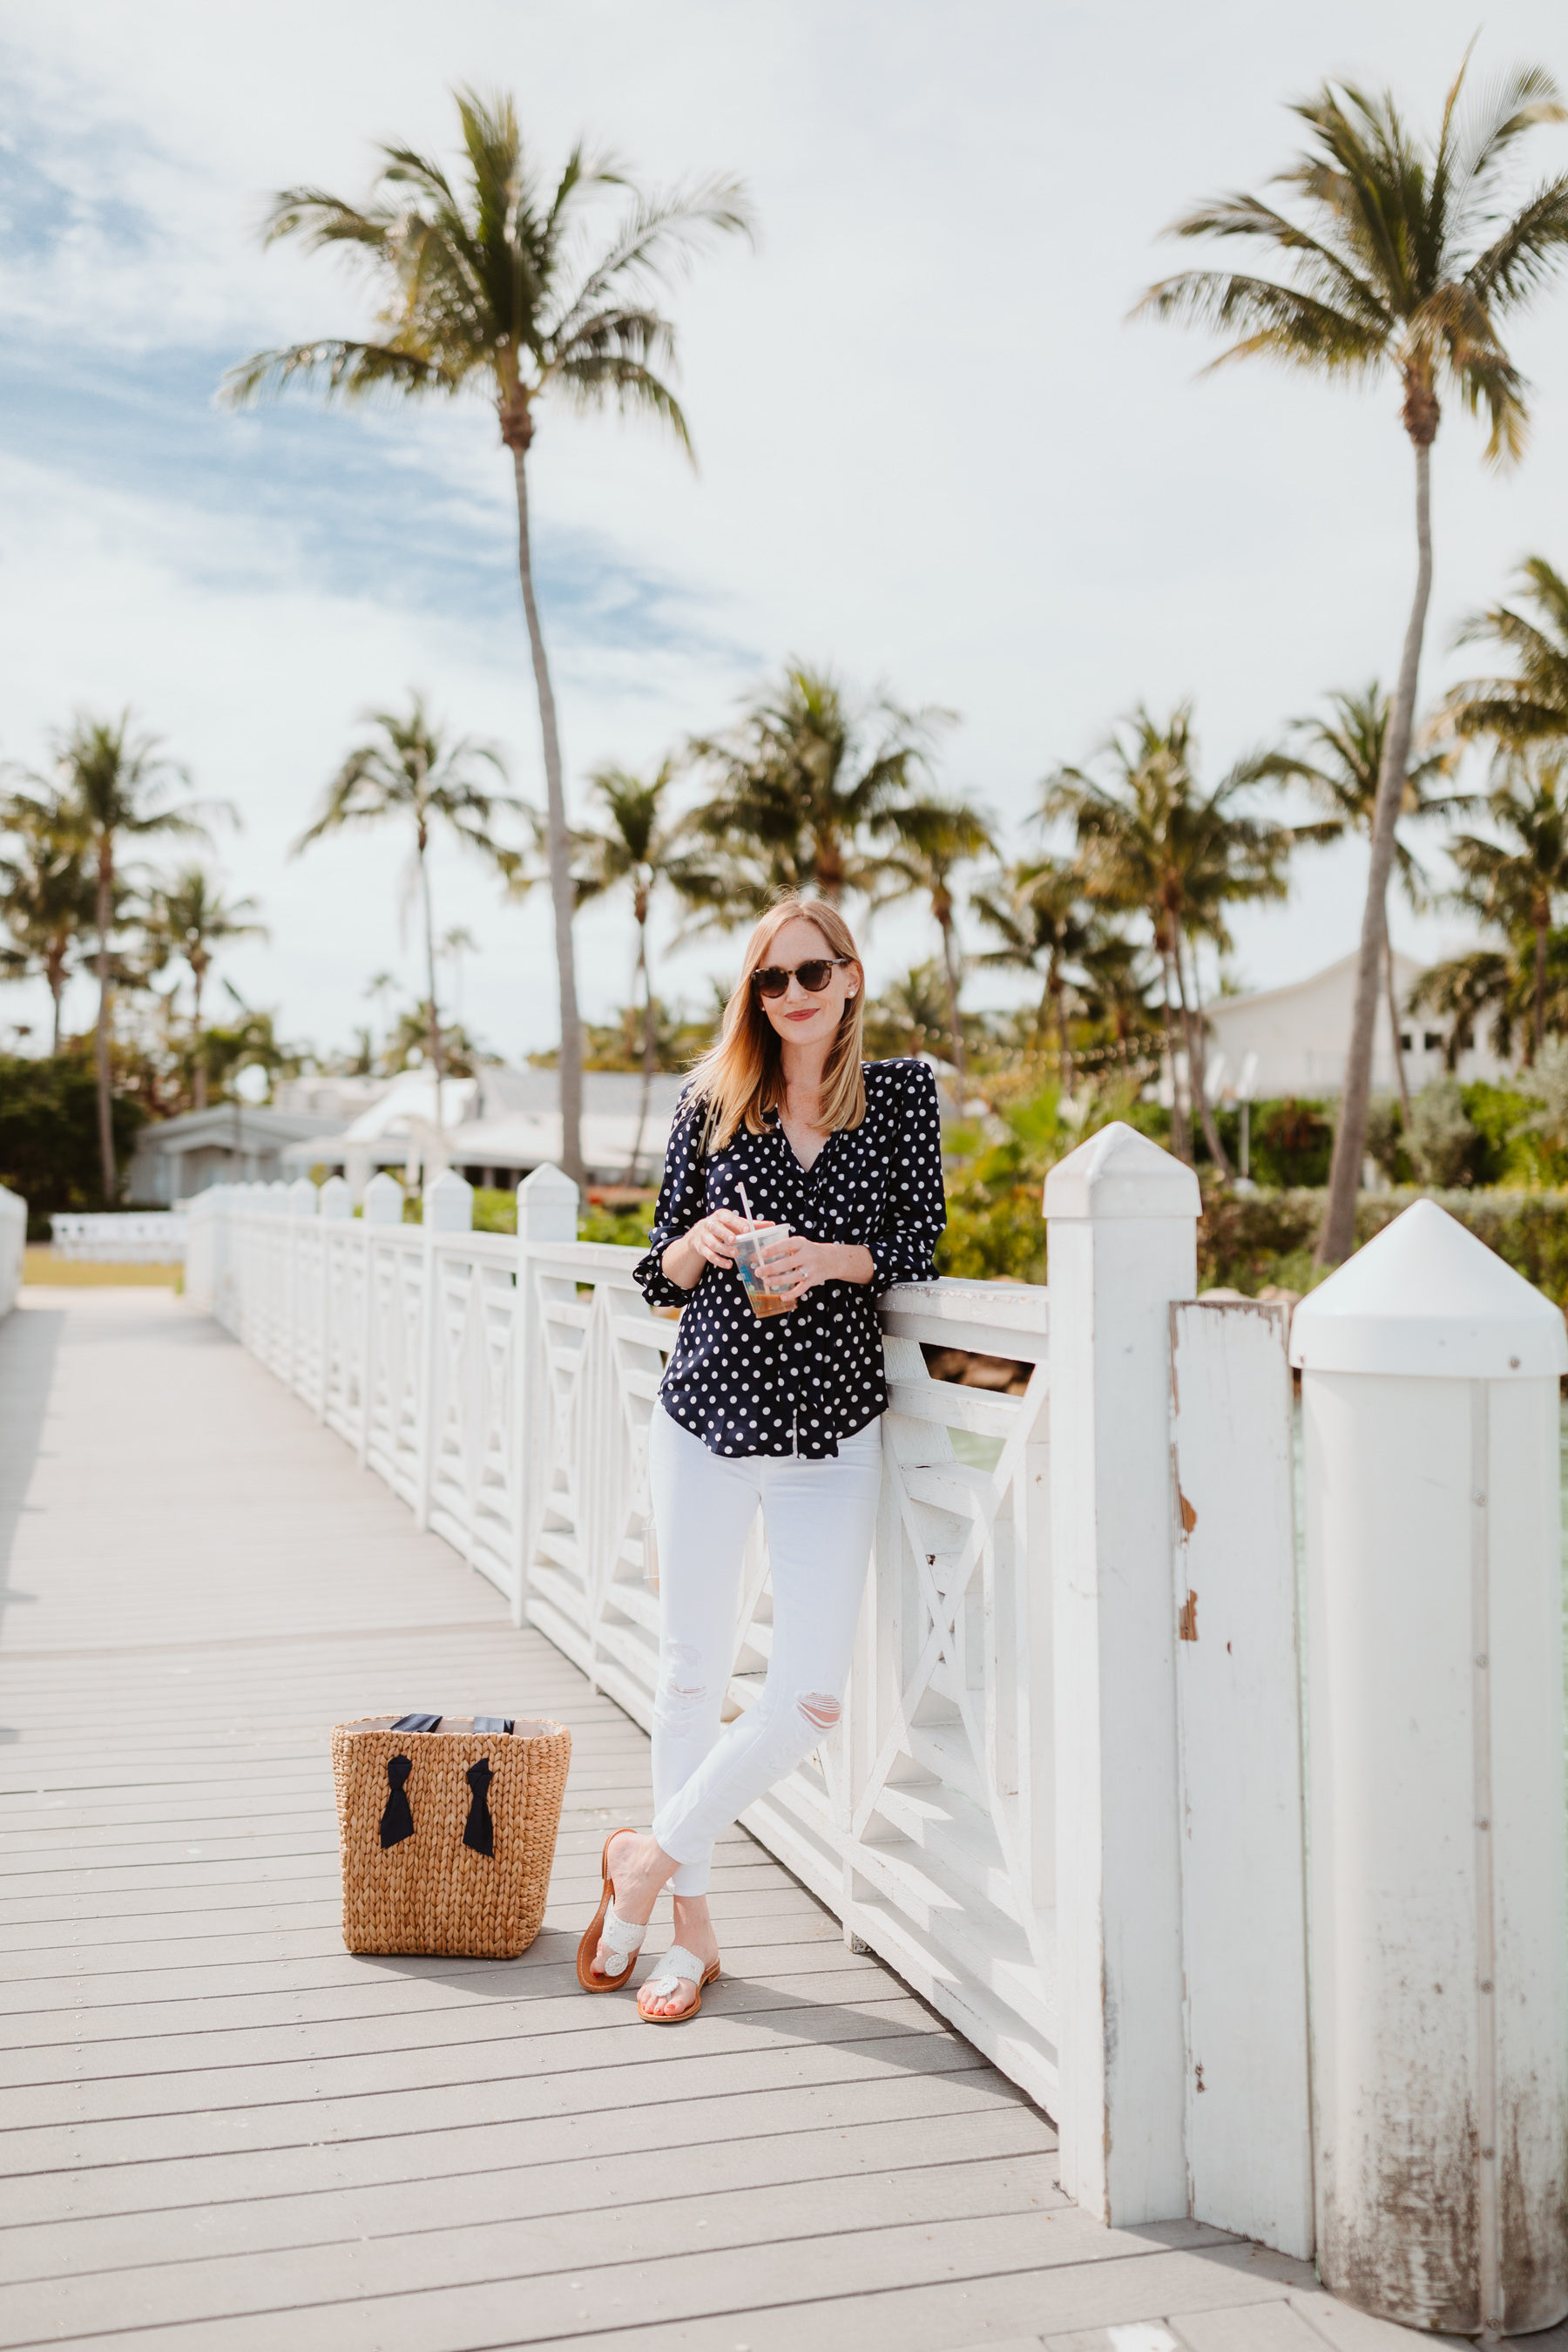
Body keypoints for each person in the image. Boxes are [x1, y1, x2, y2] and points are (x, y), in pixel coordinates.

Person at [575, 895, 947, 2021]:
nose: (790, 997)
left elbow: (917, 1240)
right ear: (752, 997)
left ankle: (644, 1858)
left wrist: (822, 1261)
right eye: (769, 982)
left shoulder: (898, 1095)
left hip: (831, 1426)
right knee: (691, 1673)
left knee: (810, 1699)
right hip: (704, 1418)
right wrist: (698, 1242)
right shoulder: (710, 1100)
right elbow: (658, 1273)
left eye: (810, 974)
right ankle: (691, 1936)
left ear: (850, 979)